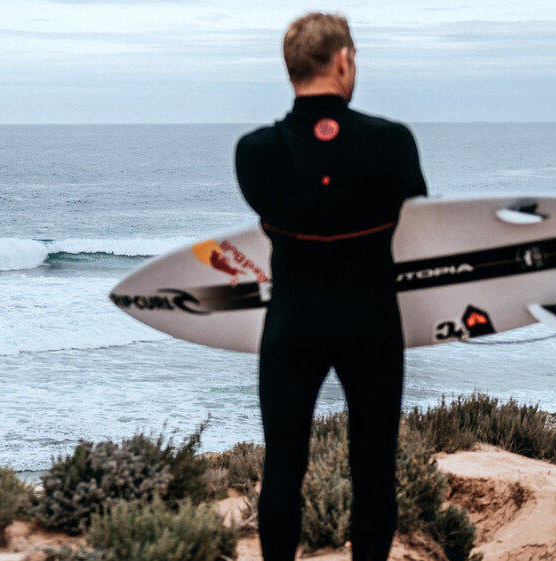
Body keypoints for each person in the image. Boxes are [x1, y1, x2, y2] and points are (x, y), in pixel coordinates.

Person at [234, 13, 427, 561]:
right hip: (371, 322)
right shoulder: (392, 142)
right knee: (372, 465)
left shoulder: (255, 151)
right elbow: (416, 225)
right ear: (343, 60)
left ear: (290, 68)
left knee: (284, 464)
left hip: (292, 324)